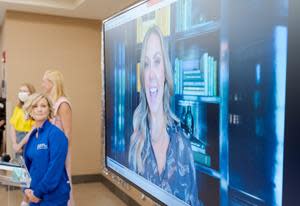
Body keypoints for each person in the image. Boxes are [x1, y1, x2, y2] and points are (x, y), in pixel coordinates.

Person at [128, 26, 202, 206]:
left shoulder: (183, 144)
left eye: (157, 61)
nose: (151, 74)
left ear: (165, 73)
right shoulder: (136, 144)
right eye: (146, 64)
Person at [23, 93, 70, 205]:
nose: (39, 109)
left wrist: (38, 192)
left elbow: (55, 168)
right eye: (35, 106)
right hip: (34, 195)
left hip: (53, 197)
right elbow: (27, 167)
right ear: (30, 110)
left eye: (43, 106)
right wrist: (26, 188)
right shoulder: (33, 136)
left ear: (49, 109)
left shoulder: (56, 134)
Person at [41, 70, 74, 205]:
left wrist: (61, 154)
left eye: (44, 81)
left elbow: (67, 133)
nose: (42, 84)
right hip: (50, 150)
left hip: (59, 151)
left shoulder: (63, 104)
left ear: (52, 83)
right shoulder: (51, 102)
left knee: (63, 184)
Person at [9, 83, 36, 156]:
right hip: (17, 138)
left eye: (24, 91)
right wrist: (14, 143)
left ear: (31, 94)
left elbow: (34, 128)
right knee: (18, 164)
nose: (22, 93)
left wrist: (20, 145)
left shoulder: (34, 108)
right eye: (20, 91)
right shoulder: (18, 108)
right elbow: (12, 127)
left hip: (29, 138)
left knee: (28, 164)